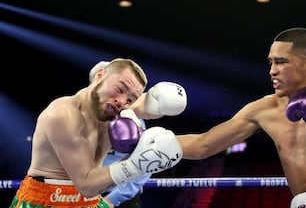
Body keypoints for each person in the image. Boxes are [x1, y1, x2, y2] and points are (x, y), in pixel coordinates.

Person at [177, 27, 306, 208]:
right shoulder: (264, 109)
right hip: (300, 203)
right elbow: (203, 145)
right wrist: (150, 140)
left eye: (282, 62)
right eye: (271, 62)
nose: (272, 71)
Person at [9, 57, 184, 208]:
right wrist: (135, 165)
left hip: (89, 201)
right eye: (120, 89)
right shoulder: (63, 114)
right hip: (45, 201)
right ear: (100, 75)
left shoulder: (117, 112)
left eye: (130, 99)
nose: (122, 101)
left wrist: (161, 103)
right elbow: (85, 184)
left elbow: (146, 106)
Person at [88, 60, 187, 207]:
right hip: (82, 191)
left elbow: (144, 165)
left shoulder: (132, 122)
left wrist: (109, 202)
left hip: (117, 196)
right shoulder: (76, 116)